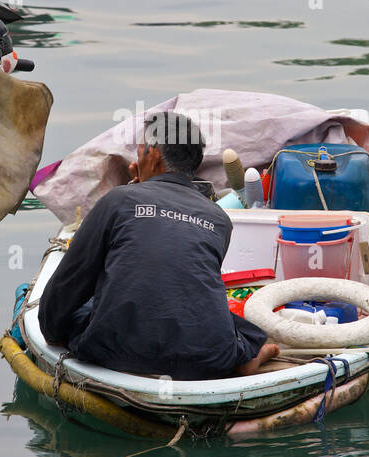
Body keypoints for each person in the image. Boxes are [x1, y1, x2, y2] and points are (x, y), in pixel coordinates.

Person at [38, 113, 280, 380]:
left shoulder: (119, 200)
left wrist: (51, 329)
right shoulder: (218, 218)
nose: (136, 159)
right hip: (209, 359)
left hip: (115, 350)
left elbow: (69, 284)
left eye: (139, 151)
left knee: (85, 304)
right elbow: (179, 282)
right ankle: (244, 357)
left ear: (152, 155)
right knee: (238, 325)